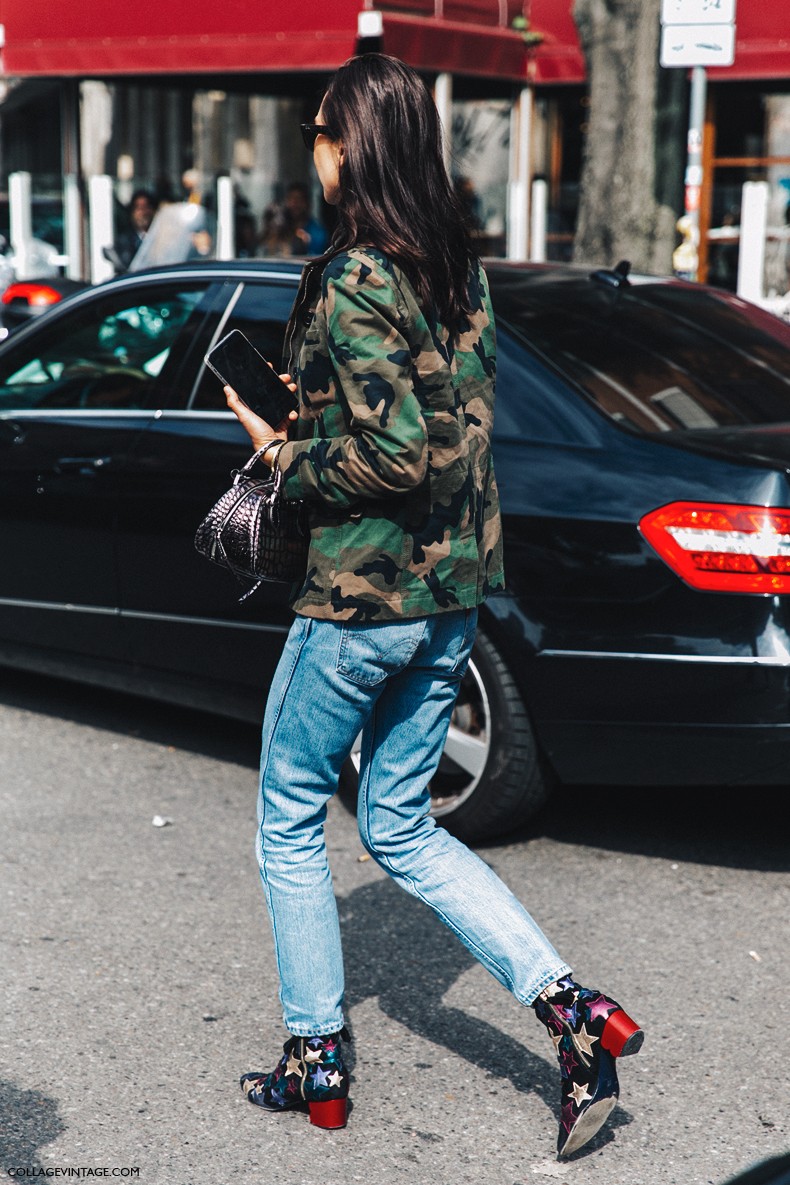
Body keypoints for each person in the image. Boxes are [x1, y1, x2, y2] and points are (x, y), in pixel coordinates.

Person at [224, 53, 644, 1160]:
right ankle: (573, 1014)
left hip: (360, 600)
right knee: (403, 826)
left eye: (320, 130)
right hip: (451, 595)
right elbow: (445, 429)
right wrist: (316, 412)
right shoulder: (457, 268)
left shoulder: (360, 272)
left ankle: (317, 1060)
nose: (313, 146)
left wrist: (283, 450)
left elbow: (391, 450)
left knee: (287, 820)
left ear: (353, 146)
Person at [260, 181, 328, 256]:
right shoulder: (281, 227)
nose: (294, 203)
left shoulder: (317, 232)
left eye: (299, 199)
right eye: (290, 199)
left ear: (308, 204)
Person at [113, 188, 157, 271]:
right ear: (132, 213)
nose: (143, 213)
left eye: (146, 207)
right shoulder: (124, 242)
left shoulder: (161, 239)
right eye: (138, 208)